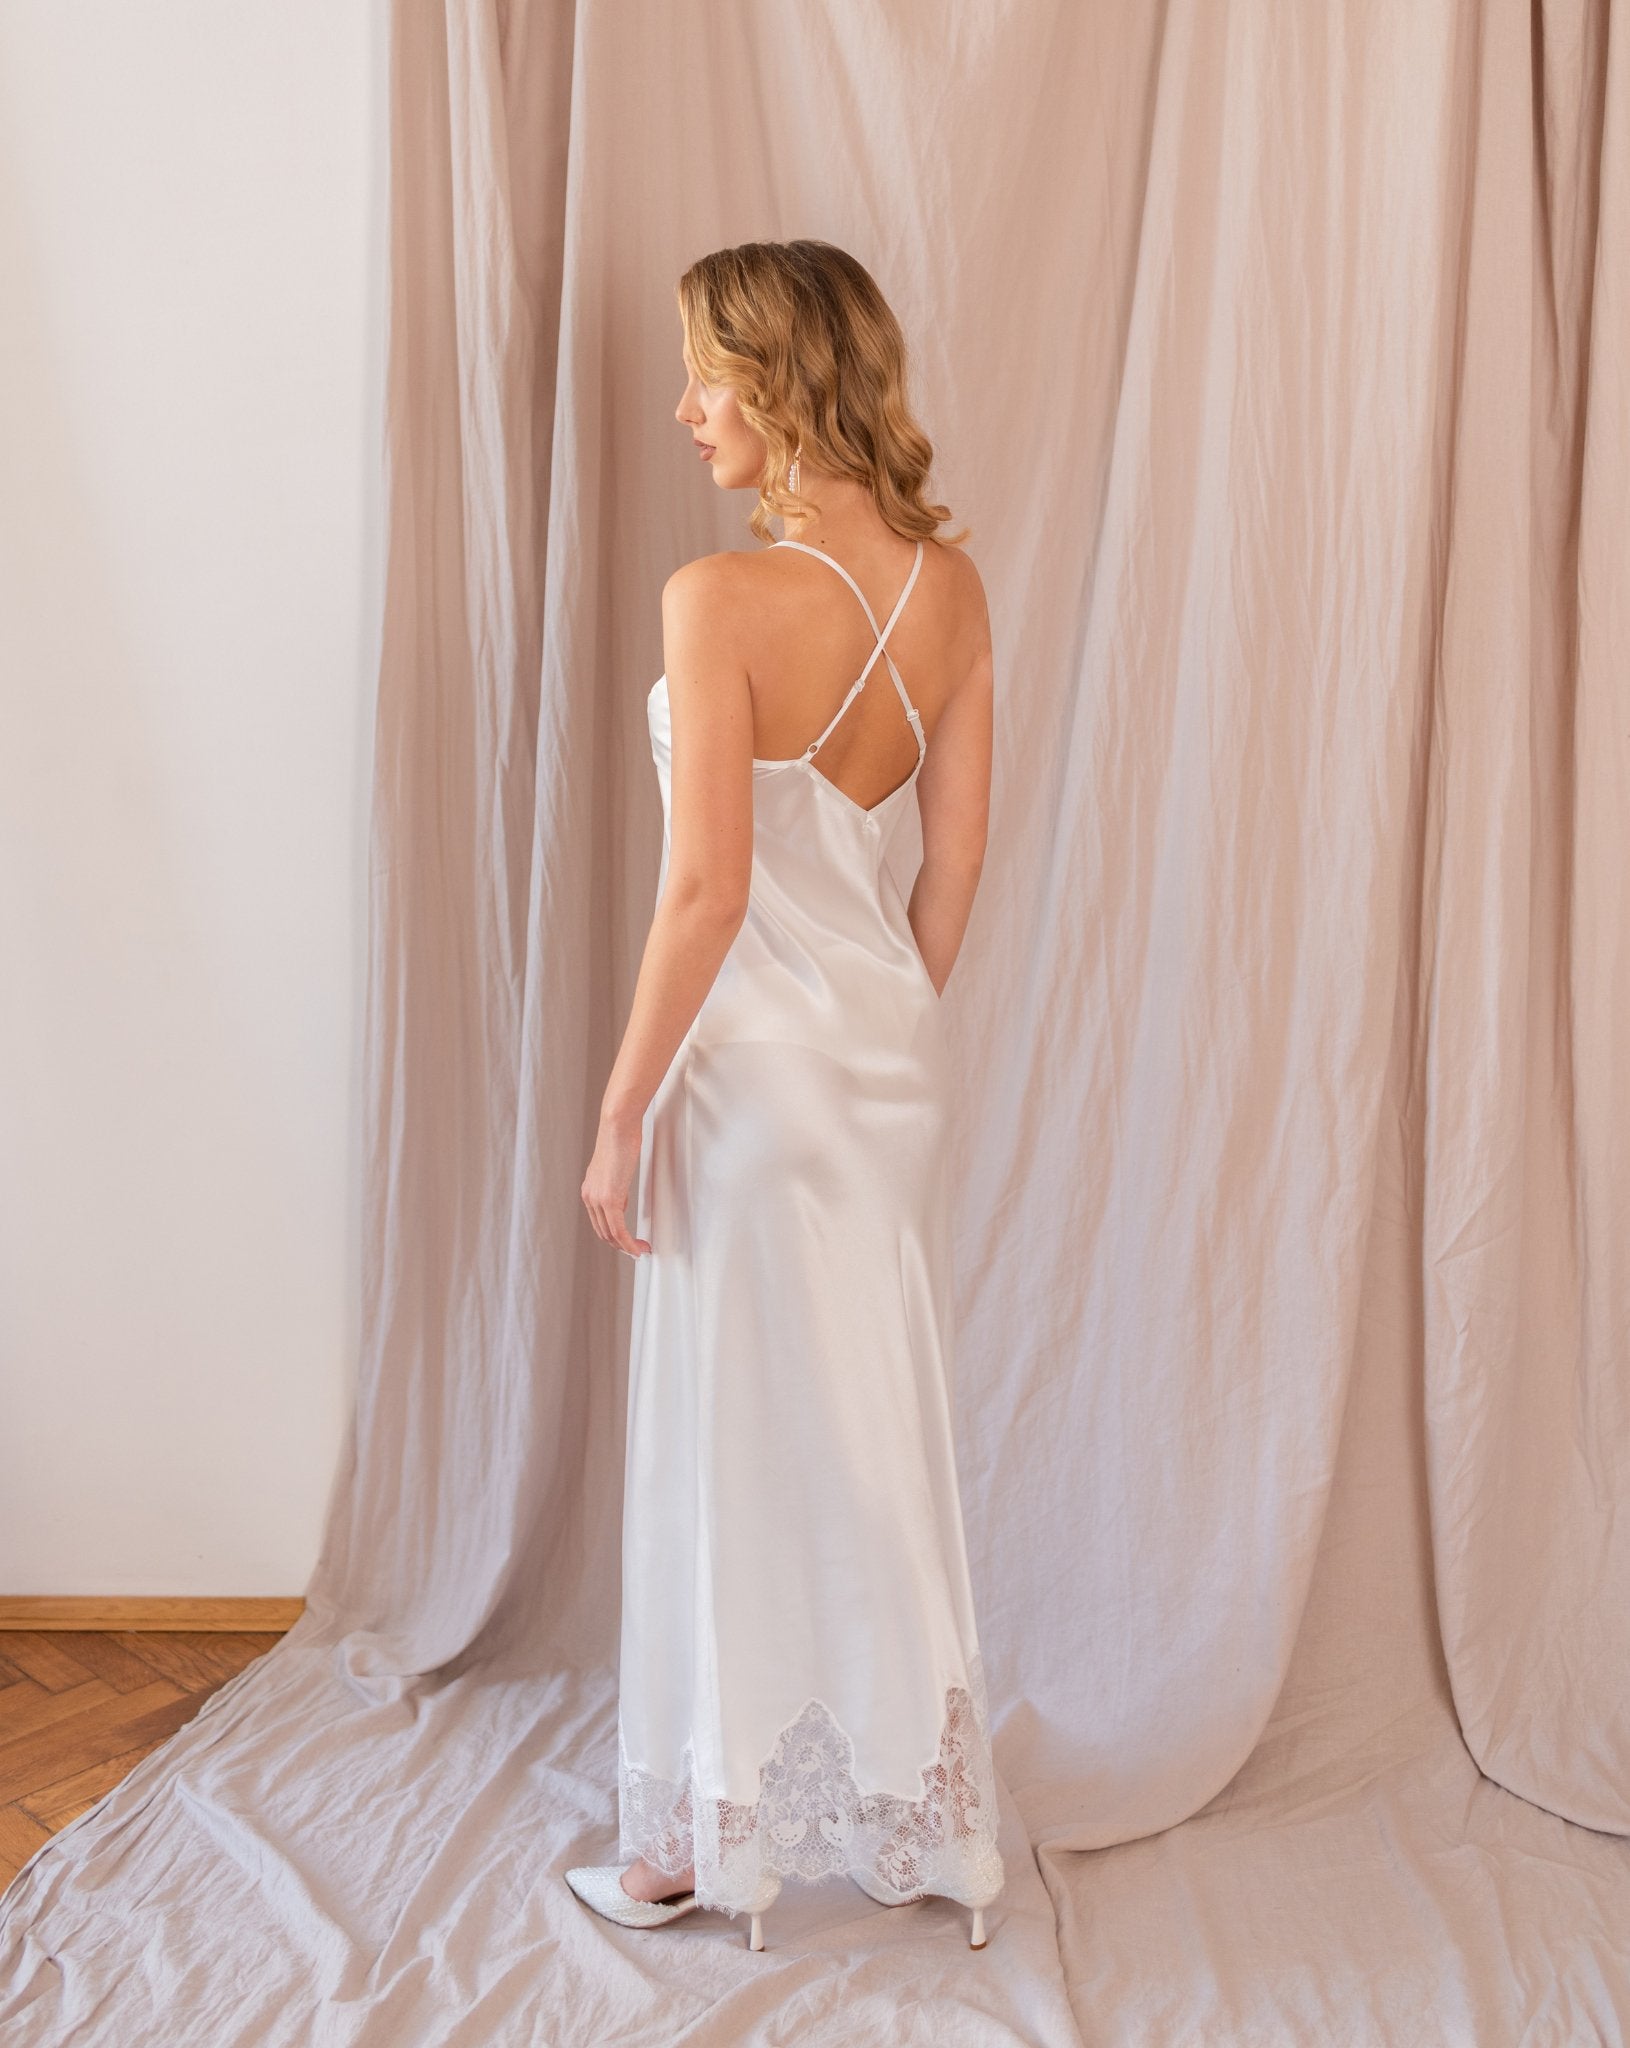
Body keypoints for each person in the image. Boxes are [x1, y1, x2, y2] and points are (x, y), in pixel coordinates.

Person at [569, 240, 1003, 1954]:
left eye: (708, 376)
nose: (686, 409)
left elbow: (706, 896)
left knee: (727, 1437)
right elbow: (950, 869)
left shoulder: (715, 600)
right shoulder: (952, 594)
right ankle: (920, 1822)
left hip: (746, 1077)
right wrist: (876, 1031)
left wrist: (619, 1112)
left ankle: (696, 1845)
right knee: (875, 1431)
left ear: (781, 380)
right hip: (883, 1071)